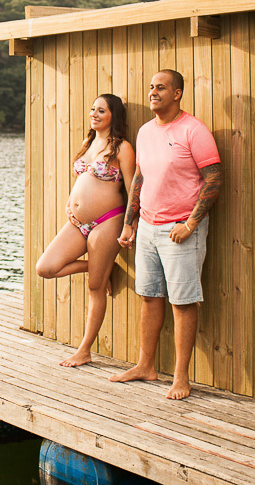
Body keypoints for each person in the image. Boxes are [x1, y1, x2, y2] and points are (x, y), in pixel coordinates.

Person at [110, 69, 222, 400]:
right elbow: (140, 179)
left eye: (161, 88)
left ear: (177, 94)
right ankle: (145, 365)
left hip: (181, 230)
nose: (153, 92)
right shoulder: (145, 132)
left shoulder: (193, 130)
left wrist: (190, 224)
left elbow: (214, 178)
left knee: (182, 302)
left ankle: (181, 377)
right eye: (150, 87)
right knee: (148, 295)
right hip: (147, 226)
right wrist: (130, 222)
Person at [36, 93, 135, 367]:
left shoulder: (122, 148)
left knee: (94, 288)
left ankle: (84, 350)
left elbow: (132, 188)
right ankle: (102, 269)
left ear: (114, 115)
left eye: (101, 110)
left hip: (108, 220)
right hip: (77, 223)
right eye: (92, 109)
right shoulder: (88, 142)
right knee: (45, 268)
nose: (94, 114)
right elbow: (82, 178)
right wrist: (71, 202)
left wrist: (130, 223)